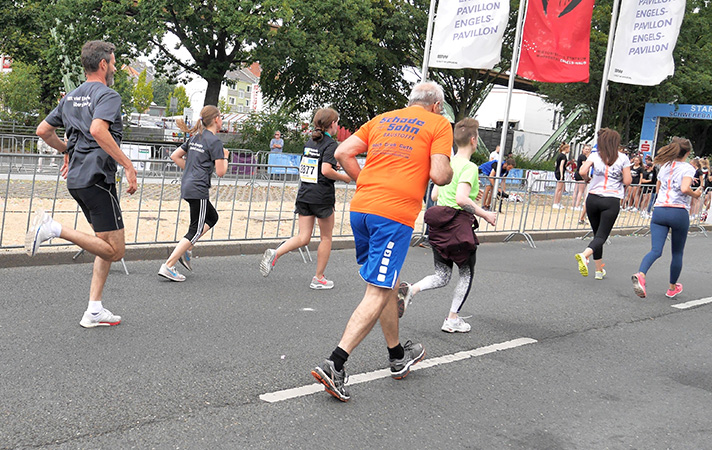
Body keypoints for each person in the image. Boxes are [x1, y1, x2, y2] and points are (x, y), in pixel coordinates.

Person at [310, 81, 453, 402]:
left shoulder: (383, 119)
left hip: (362, 208)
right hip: (394, 214)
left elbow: (344, 151)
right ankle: (336, 363)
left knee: (385, 283)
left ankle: (397, 355)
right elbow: (441, 176)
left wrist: (366, 180)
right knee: (377, 290)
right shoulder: (438, 123)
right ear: (435, 105)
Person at [29, 40, 138, 328]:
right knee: (116, 251)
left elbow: (43, 130)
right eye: (113, 62)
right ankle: (53, 229)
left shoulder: (71, 97)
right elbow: (97, 129)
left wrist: (67, 151)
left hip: (77, 179)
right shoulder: (108, 95)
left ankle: (94, 309)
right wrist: (128, 165)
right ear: (103, 64)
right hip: (97, 178)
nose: (114, 67)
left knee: (104, 244)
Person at [397, 118, 497, 333]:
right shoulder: (470, 167)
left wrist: (469, 195)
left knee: (441, 275)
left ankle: (411, 290)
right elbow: (461, 199)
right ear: (473, 140)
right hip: (458, 228)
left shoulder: (447, 164)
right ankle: (452, 319)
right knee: (466, 273)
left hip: (438, 227)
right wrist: (485, 214)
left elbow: (435, 193)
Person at [260, 108, 351, 288]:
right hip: (322, 195)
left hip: (305, 193)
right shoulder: (331, 144)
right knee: (326, 238)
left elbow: (314, 166)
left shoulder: (310, 142)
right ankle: (319, 277)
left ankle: (276, 252)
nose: (338, 125)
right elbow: (325, 170)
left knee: (303, 237)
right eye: (337, 122)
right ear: (332, 124)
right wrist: (345, 177)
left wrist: (333, 167)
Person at [158, 106, 229, 282]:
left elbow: (175, 156)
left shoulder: (195, 137)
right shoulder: (215, 142)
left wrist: (191, 170)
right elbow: (221, 172)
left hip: (188, 185)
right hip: (198, 188)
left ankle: (186, 249)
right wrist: (226, 156)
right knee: (195, 229)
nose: (222, 120)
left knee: (212, 217)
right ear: (216, 119)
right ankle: (168, 265)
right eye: (220, 117)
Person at [632, 137, 704, 299]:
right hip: (678, 211)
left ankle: (641, 274)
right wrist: (696, 194)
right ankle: (672, 287)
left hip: (660, 210)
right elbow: (685, 188)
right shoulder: (688, 168)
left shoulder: (664, 166)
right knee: (677, 252)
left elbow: (658, 189)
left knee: (656, 250)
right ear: (687, 153)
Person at [574, 128, 631, 280]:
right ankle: (585, 255)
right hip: (611, 199)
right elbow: (627, 181)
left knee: (597, 235)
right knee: (602, 236)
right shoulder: (623, 158)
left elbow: (582, 170)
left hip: (593, 198)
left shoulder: (595, 155)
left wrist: (587, 180)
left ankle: (599, 270)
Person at [572, 144, 592, 211]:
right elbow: (585, 166)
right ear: (583, 150)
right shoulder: (583, 157)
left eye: (588, 149)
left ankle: (573, 205)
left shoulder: (580, 156)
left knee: (576, 191)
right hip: (580, 175)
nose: (587, 151)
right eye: (586, 149)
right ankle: (577, 205)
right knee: (580, 191)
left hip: (577, 173)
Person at [552, 143, 570, 209]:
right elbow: (561, 166)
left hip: (558, 172)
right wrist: (562, 175)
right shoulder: (563, 156)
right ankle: (556, 203)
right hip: (559, 173)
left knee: (560, 189)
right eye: (568, 148)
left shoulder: (560, 155)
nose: (569, 150)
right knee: (559, 189)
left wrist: (567, 170)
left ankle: (558, 202)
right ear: (566, 149)